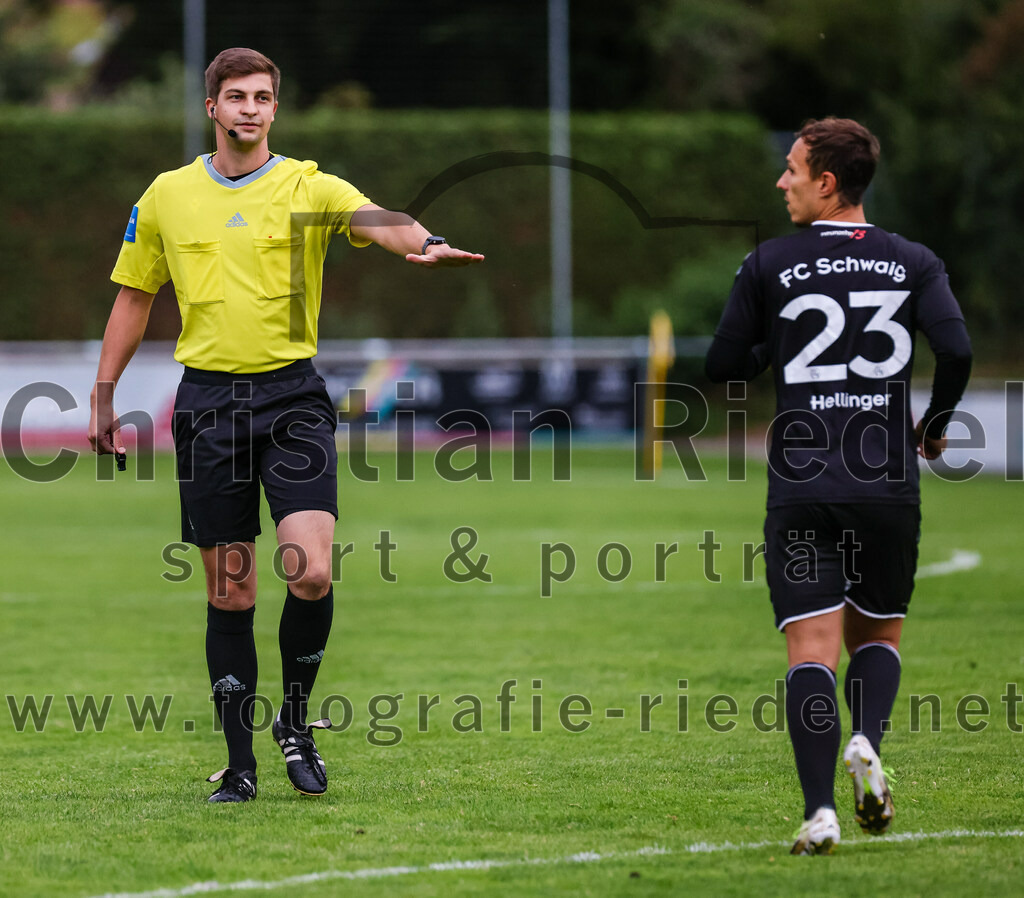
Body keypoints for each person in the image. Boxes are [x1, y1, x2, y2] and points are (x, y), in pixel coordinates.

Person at [89, 48, 484, 803]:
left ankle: (294, 725)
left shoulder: (308, 184)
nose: (250, 108)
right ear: (212, 107)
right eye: (236, 96)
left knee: (312, 571)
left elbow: (378, 219)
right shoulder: (168, 196)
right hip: (206, 405)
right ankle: (239, 769)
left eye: (263, 97)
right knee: (231, 594)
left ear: (275, 108)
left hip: (292, 398)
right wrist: (103, 396)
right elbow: (133, 297)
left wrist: (424, 244)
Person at [705, 117, 972, 854]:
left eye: (792, 169)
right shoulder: (913, 260)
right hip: (885, 480)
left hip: (801, 485)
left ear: (827, 182)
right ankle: (868, 742)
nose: (781, 180)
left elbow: (723, 366)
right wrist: (935, 425)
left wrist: (773, 344)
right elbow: (955, 348)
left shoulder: (770, 263)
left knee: (812, 650)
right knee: (878, 634)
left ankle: (819, 810)